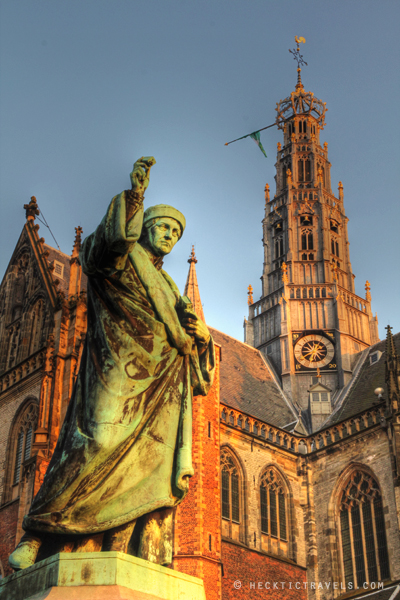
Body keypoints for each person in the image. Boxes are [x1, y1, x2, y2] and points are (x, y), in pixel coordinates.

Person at [9, 157, 215, 570]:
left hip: (161, 389)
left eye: (177, 232)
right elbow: (102, 252)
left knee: (152, 480)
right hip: (118, 369)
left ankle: (126, 552)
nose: (170, 236)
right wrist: (135, 198)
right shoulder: (121, 258)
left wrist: (204, 339)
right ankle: (40, 531)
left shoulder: (172, 286)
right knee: (94, 443)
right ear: (144, 226)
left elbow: (192, 351)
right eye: (164, 227)